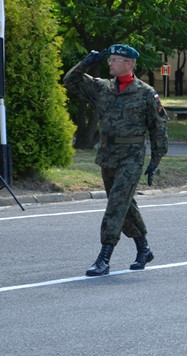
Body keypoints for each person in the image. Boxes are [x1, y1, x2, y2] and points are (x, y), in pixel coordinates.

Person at [63, 44, 169, 276]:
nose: (110, 63)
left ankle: (104, 257)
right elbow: (70, 81)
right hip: (108, 156)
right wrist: (88, 61)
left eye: (115, 60)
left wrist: (155, 160)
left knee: (115, 205)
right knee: (124, 204)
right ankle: (144, 249)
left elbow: (158, 128)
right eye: (109, 60)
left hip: (131, 156)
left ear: (128, 64)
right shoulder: (102, 88)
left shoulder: (146, 93)